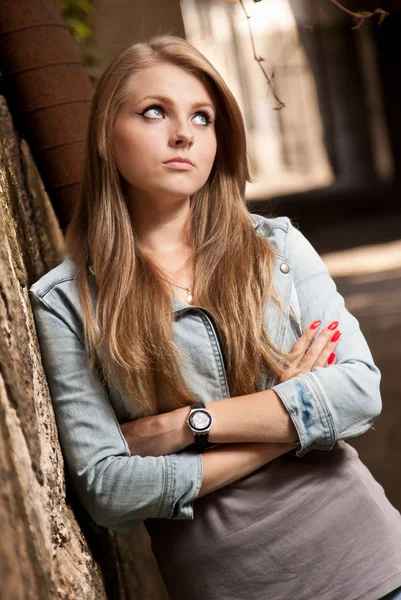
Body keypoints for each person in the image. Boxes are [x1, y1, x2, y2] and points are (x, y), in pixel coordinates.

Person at [29, 35, 401, 600]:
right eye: (155, 112)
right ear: (107, 134)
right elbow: (109, 489)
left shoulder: (276, 249)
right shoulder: (68, 301)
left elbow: (357, 392)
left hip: (373, 565)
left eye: (202, 117)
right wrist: (290, 425)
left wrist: (187, 425)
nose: (183, 133)